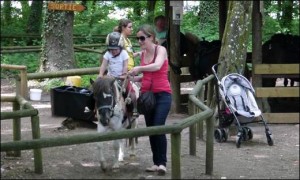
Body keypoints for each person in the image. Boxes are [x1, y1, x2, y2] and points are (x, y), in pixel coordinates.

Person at [128, 24, 172, 175]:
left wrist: (139, 69)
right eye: (137, 38)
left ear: (151, 37)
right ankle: (156, 163)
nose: (140, 41)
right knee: (151, 129)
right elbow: (146, 75)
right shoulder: (143, 54)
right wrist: (132, 77)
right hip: (147, 97)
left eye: (142, 38)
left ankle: (163, 164)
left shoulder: (161, 50)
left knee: (158, 126)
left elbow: (157, 66)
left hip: (163, 95)